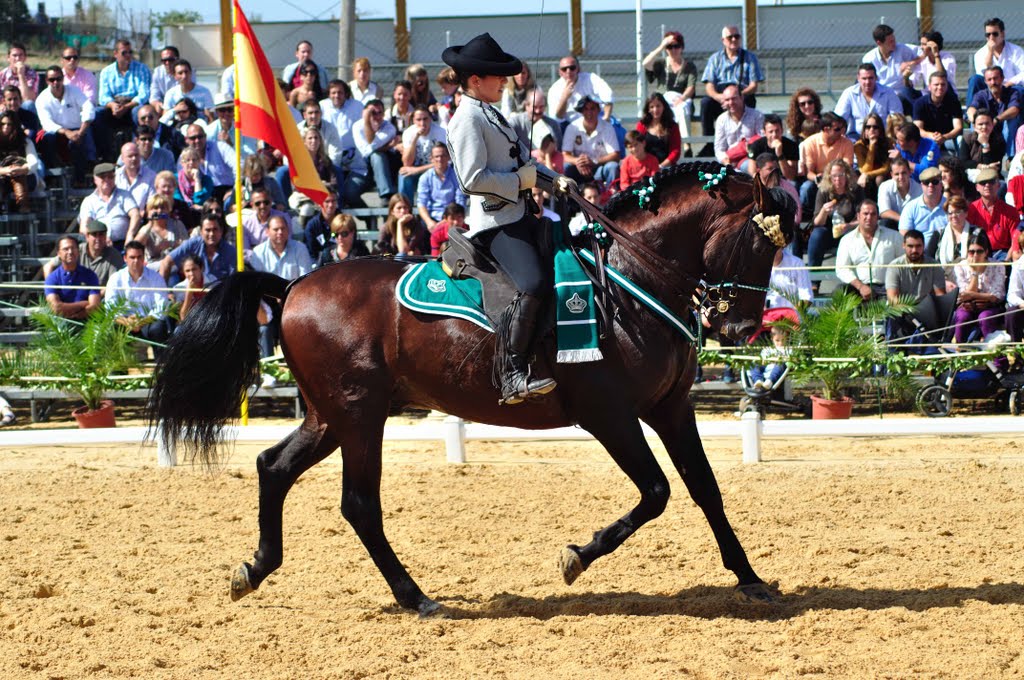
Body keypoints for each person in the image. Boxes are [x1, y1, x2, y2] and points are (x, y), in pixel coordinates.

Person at [444, 32, 570, 404]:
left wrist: (554, 180)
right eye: (497, 75)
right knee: (532, 282)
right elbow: (471, 180)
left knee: (566, 256)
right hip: (495, 224)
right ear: (475, 80)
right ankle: (512, 372)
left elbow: (523, 164)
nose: (504, 80)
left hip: (519, 214)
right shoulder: (466, 118)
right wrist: (521, 181)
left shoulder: (491, 112)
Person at [699, 24, 764, 152]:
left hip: (742, 94)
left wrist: (737, 96)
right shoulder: (715, 59)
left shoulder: (750, 58)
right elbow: (709, 86)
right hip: (721, 96)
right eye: (730, 37)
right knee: (705, 103)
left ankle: (748, 139)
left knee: (750, 101)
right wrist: (721, 98)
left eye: (737, 36)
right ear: (723, 40)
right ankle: (708, 142)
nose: (734, 40)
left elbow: (754, 85)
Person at [105, 240, 172, 349]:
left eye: (139, 257)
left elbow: (162, 308)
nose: (136, 261)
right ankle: (115, 365)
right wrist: (127, 322)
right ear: (125, 258)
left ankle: (161, 364)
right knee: (111, 327)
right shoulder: (115, 278)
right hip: (124, 322)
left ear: (143, 258)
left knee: (159, 327)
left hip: (148, 322)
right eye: (132, 257)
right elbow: (110, 309)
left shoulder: (156, 278)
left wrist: (141, 322)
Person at [36, 65, 96, 182]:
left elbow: (88, 107)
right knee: (46, 138)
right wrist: (66, 132)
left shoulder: (74, 91)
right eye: (52, 80)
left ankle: (81, 178)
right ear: (47, 81)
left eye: (58, 79)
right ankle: (52, 177)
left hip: (77, 130)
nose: (55, 82)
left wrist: (81, 132)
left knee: (80, 140)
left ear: (63, 79)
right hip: (56, 132)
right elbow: (46, 123)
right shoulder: (42, 99)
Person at [835, 199, 903, 300]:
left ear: (878, 217)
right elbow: (842, 269)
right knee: (840, 290)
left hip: (888, 287)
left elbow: (903, 263)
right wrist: (861, 286)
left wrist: (893, 287)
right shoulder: (847, 240)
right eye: (865, 214)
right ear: (858, 216)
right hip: (859, 288)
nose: (869, 217)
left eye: (873, 214)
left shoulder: (894, 236)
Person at [96, 39, 151, 162]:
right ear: (115, 54)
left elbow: (144, 94)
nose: (128, 56)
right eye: (124, 53)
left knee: (140, 113)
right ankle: (102, 155)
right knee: (96, 114)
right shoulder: (106, 72)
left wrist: (127, 106)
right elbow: (103, 97)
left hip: (133, 104)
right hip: (114, 105)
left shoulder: (142, 69)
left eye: (130, 52)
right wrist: (113, 105)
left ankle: (139, 152)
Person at [642, 31, 697, 153]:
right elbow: (645, 63)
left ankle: (687, 146)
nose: (673, 49)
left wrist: (681, 99)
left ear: (682, 47)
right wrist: (661, 46)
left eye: (676, 46)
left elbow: (691, 87)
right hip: (663, 98)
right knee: (657, 109)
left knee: (682, 108)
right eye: (669, 46)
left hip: (682, 98)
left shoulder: (689, 66)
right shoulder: (661, 63)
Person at [807, 159, 864, 267]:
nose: (838, 179)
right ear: (829, 177)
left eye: (841, 175)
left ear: (847, 175)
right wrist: (823, 211)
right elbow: (817, 223)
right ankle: (814, 279)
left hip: (849, 231)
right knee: (817, 234)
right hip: (829, 232)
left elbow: (863, 217)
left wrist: (849, 226)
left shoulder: (856, 191)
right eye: (834, 176)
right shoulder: (823, 191)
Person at [797, 111, 855, 214]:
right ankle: (806, 215)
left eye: (842, 128)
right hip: (819, 179)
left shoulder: (847, 143)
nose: (842, 132)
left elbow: (847, 168)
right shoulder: (810, 143)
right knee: (806, 187)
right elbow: (809, 172)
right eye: (837, 129)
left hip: (839, 178)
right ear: (826, 129)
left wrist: (832, 177)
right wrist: (817, 178)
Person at [952, 232, 1005, 342]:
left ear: (986, 252)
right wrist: (975, 273)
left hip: (991, 306)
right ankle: (961, 353)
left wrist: (971, 295)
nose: (975, 255)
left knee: (985, 317)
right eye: (971, 252)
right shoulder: (960, 266)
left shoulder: (997, 265)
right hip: (967, 306)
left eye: (979, 251)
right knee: (962, 317)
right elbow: (963, 295)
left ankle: (997, 357)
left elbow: (996, 295)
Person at [343, 98, 397, 205]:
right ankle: (368, 219)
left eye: (379, 113)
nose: (376, 116)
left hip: (384, 171)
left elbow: (371, 146)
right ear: (365, 113)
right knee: (348, 193)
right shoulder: (357, 126)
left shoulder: (389, 128)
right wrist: (386, 147)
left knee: (377, 156)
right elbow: (366, 151)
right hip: (362, 170)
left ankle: (385, 196)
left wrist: (379, 148)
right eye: (372, 113)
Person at [834, 63, 904, 141]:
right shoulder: (849, 93)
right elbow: (839, 118)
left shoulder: (889, 92)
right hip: (856, 137)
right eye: (864, 78)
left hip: (883, 137)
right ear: (858, 78)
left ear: (876, 78)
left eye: (871, 78)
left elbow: (897, 119)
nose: (867, 82)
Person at [562, 95, 621, 187]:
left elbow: (616, 155)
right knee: (566, 167)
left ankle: (610, 196)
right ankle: (569, 198)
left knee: (612, 167)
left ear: (598, 110)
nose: (589, 113)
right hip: (579, 168)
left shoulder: (607, 127)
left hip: (599, 167)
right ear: (581, 111)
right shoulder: (572, 127)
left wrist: (594, 161)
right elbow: (565, 155)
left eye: (592, 108)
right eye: (585, 109)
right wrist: (578, 161)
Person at [43, 219, 123, 286]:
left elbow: (112, 285)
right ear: (87, 237)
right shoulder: (76, 250)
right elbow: (48, 266)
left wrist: (93, 300)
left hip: (101, 300)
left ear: (105, 236)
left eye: (101, 235)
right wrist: (51, 290)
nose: (98, 238)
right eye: (94, 235)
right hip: (74, 297)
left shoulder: (114, 255)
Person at [161, 212, 236, 282]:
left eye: (215, 229)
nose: (211, 234)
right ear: (201, 232)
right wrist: (165, 292)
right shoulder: (192, 244)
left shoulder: (231, 252)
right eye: (208, 230)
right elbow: (166, 262)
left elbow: (233, 280)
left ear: (221, 231)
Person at [862, 24, 922, 110]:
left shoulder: (903, 50)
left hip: (902, 93)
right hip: (881, 94)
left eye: (894, 40)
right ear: (879, 43)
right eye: (890, 41)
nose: (894, 43)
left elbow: (920, 57)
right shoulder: (869, 58)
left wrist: (909, 63)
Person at [79, 162, 140, 245]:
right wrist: (100, 239)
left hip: (123, 243)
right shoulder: (89, 201)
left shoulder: (125, 195)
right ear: (95, 180)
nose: (107, 180)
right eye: (103, 177)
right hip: (99, 245)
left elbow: (135, 215)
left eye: (110, 177)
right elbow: (84, 227)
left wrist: (130, 234)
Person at [967, 66, 1022, 157]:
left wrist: (997, 119)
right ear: (985, 82)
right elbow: (971, 109)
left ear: (1002, 78)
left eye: (995, 78)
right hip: (988, 128)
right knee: (976, 122)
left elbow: (1014, 110)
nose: (993, 82)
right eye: (989, 79)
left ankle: (1010, 158)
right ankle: (977, 156)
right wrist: (978, 122)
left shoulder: (1012, 92)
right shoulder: (981, 95)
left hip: (1004, 128)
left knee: (1013, 120)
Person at [967, 18, 1024, 105]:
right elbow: (984, 74)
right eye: (988, 34)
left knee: (1019, 90)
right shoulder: (980, 54)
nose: (991, 37)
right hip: (989, 88)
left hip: (1010, 87)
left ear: (1003, 34)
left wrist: (1009, 83)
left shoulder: (1016, 51)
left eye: (995, 34)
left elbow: (1022, 73)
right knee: (975, 80)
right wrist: (990, 51)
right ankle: (970, 115)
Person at [44, 236, 101, 320]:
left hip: (87, 325)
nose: (70, 252)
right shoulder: (52, 278)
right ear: (58, 253)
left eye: (73, 248)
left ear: (78, 251)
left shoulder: (90, 275)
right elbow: (56, 308)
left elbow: (94, 307)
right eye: (65, 249)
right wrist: (83, 304)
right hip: (61, 326)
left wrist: (74, 314)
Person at [967, 167, 1018, 259]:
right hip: (977, 254)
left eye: (991, 182)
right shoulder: (971, 209)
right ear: (977, 187)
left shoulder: (1011, 212)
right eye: (983, 183)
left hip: (1003, 254)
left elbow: (1015, 241)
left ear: (998, 185)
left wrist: (1006, 262)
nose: (987, 185)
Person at [548, 55, 614, 123]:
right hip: (570, 124)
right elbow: (557, 117)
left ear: (578, 69)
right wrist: (565, 97)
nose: (568, 71)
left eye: (572, 68)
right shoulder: (554, 89)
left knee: (616, 127)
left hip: (595, 119)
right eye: (564, 69)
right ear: (560, 72)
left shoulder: (590, 78)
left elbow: (608, 95)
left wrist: (606, 117)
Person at [399, 105, 447, 201]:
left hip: (436, 170)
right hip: (416, 169)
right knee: (404, 175)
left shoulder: (441, 132)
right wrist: (415, 138)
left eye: (425, 119)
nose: (422, 123)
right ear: (413, 120)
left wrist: (417, 170)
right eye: (418, 120)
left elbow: (445, 162)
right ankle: (406, 208)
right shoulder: (408, 133)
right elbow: (407, 163)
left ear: (430, 119)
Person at [886, 228, 946, 304]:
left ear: (924, 246)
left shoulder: (934, 265)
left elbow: (940, 294)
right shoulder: (894, 266)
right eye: (910, 246)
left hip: (927, 309)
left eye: (918, 246)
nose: (914, 250)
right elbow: (892, 297)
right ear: (903, 246)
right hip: (901, 309)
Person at [416, 142, 465, 230]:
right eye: (436, 156)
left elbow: (460, 201)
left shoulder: (457, 176)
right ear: (431, 159)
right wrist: (429, 222)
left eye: (443, 156)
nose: (440, 159)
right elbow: (421, 203)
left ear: (449, 157)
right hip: (432, 218)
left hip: (452, 217)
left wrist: (448, 220)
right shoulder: (425, 178)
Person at [898, 167, 947, 254]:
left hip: (945, 253)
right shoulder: (910, 207)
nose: (930, 185)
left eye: (935, 182)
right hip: (918, 254)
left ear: (941, 184)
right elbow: (904, 236)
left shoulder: (950, 206)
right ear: (921, 185)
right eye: (926, 182)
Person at [912, 72, 963, 150]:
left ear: (947, 86)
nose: (940, 87)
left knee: (961, 140)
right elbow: (918, 129)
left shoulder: (954, 102)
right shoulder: (920, 103)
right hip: (927, 139)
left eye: (943, 84)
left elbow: (958, 127)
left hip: (948, 139)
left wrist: (944, 137)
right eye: (936, 84)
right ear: (929, 87)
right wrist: (932, 136)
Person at [935, 195, 982, 279]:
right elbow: (930, 260)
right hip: (943, 280)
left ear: (966, 213)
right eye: (950, 213)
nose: (953, 216)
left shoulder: (977, 233)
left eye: (957, 212)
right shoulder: (938, 234)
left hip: (971, 278)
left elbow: (984, 259)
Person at [0, 111, 38, 212]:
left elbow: (33, 162)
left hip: (26, 177)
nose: (6, 127)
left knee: (17, 173)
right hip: (3, 178)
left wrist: (22, 169)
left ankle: (23, 205)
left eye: (9, 124)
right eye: (3, 124)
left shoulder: (25, 141)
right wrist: (5, 170)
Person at [135, 194, 188, 264]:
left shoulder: (177, 224)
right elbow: (135, 246)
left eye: (163, 208)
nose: (159, 211)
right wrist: (150, 223)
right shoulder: (146, 228)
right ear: (149, 211)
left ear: (168, 210)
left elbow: (187, 245)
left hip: (176, 263)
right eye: (155, 208)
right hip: (153, 265)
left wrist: (172, 244)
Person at [242, 187, 293, 258]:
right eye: (258, 203)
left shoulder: (284, 218)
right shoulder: (245, 223)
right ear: (252, 205)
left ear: (271, 202)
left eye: (266, 202)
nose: (262, 206)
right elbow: (245, 252)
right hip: (255, 262)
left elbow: (286, 244)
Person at [508, 89, 561, 154]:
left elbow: (558, 150)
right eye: (534, 107)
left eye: (541, 107)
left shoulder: (553, 124)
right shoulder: (515, 122)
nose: (538, 111)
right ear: (526, 106)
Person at [635, 92, 681, 168]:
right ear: (648, 109)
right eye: (652, 107)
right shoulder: (642, 125)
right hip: (646, 167)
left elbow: (675, 151)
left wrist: (661, 166)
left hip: (667, 168)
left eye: (658, 106)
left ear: (664, 107)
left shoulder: (672, 126)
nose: (655, 110)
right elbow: (638, 147)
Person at [746, 113, 797, 180]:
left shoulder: (791, 146)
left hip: (783, 180)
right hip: (763, 179)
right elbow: (752, 172)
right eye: (771, 132)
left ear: (782, 130)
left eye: (777, 131)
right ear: (765, 132)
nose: (774, 135)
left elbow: (790, 176)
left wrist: (780, 154)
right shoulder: (756, 146)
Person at [853, 112, 890, 200]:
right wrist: (871, 147)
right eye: (868, 127)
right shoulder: (858, 146)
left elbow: (886, 168)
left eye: (875, 127)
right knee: (861, 180)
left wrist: (868, 175)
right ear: (864, 129)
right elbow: (864, 169)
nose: (871, 130)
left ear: (880, 129)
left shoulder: (889, 143)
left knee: (879, 179)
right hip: (866, 175)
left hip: (883, 175)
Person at [877, 157, 921, 228]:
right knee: (885, 222)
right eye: (897, 174)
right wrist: (904, 220)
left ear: (910, 172)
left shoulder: (919, 189)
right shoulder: (885, 186)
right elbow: (884, 212)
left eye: (904, 173)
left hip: (913, 225)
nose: (901, 177)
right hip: (894, 224)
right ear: (891, 175)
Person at [169, 254, 214, 322]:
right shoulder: (178, 288)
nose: (191, 274)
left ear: (201, 268)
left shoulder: (213, 282)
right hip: (190, 322)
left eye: (194, 269)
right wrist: (189, 293)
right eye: (187, 271)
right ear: (183, 272)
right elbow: (182, 317)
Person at [747, 326, 791, 392]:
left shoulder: (788, 349)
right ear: (772, 339)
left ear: (786, 339)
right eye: (777, 340)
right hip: (767, 365)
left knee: (780, 364)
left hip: (778, 368)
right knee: (754, 364)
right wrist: (764, 361)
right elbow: (762, 360)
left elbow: (789, 359)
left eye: (783, 340)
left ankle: (769, 381)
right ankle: (758, 380)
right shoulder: (768, 349)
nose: (780, 343)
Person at [115, 141, 155, 211]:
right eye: (130, 156)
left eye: (136, 155)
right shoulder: (115, 176)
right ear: (122, 159)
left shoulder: (151, 176)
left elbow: (152, 203)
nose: (134, 158)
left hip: (143, 218)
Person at [303, 192, 340, 261]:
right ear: (319, 203)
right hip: (320, 266)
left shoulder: (344, 222)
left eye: (333, 201)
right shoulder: (312, 226)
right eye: (327, 201)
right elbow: (310, 254)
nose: (331, 205)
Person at [149, 46, 182, 117]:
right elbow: (154, 94)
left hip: (181, 107)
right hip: (163, 106)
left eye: (170, 60)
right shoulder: (157, 72)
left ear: (177, 59)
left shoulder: (186, 72)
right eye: (164, 60)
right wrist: (157, 103)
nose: (167, 63)